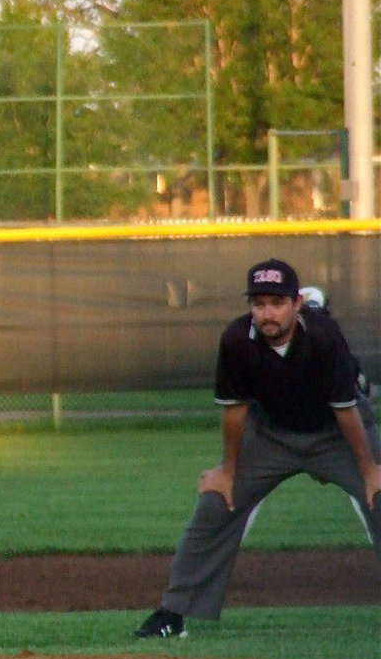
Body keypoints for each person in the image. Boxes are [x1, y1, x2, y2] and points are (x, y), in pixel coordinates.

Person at [135, 258, 381, 638]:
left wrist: (369, 471)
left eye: (278, 303)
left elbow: (345, 412)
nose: (268, 313)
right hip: (272, 435)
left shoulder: (323, 335)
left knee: (379, 493)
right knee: (217, 503)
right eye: (259, 303)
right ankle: (173, 613)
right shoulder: (237, 340)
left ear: (296, 304)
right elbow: (235, 412)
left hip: (336, 432)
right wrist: (227, 472)